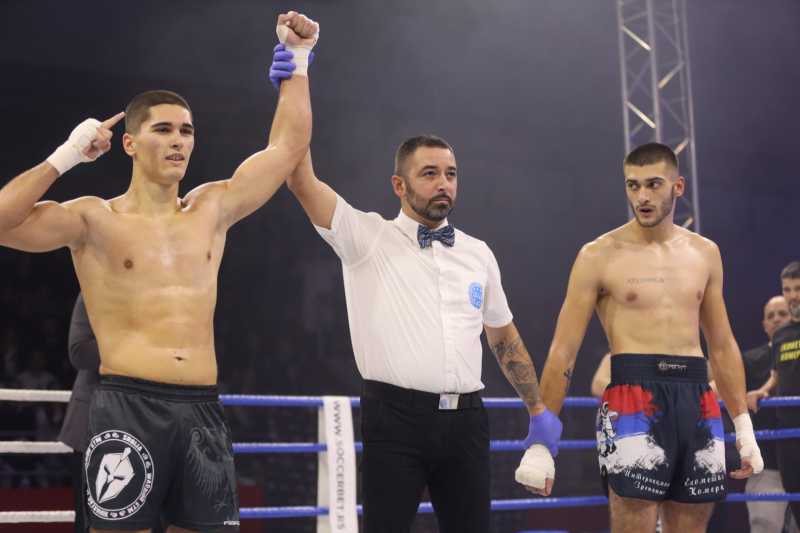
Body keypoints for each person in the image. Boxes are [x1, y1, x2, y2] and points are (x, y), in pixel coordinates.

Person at [0, 12, 318, 532]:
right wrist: (66, 156)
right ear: (129, 143)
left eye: (187, 131)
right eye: (163, 129)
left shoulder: (211, 209)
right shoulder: (93, 219)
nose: (179, 141)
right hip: (127, 406)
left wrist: (299, 62)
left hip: (202, 410)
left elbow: (286, 150)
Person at [271, 42, 558, 533]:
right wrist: (295, 77)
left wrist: (537, 410)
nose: (443, 183)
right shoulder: (367, 237)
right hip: (394, 420)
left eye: (450, 174)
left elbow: (503, 337)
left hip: (468, 420)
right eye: (429, 174)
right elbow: (299, 177)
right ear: (399, 186)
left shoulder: (478, 252)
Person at [527, 142, 763, 533]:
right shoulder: (598, 255)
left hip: (696, 395)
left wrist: (743, 427)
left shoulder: (705, 253)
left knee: (693, 524)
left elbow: (721, 344)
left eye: (653, 184)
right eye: (633, 185)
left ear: (678, 186)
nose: (642, 196)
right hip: (631, 395)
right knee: (632, 522)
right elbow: (563, 349)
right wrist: (541, 440)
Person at [741, 295, 795, 533]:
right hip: (767, 464)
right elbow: (721, 384)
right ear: (763, 325)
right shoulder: (750, 360)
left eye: (782, 314)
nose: (776, 319)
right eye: (770, 316)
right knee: (765, 527)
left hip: (796, 456)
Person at [772, 262, 800, 528]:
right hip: (788, 430)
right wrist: (761, 391)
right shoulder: (780, 335)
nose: (793, 295)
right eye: (787, 289)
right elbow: (776, 376)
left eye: (798, 288)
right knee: (793, 493)